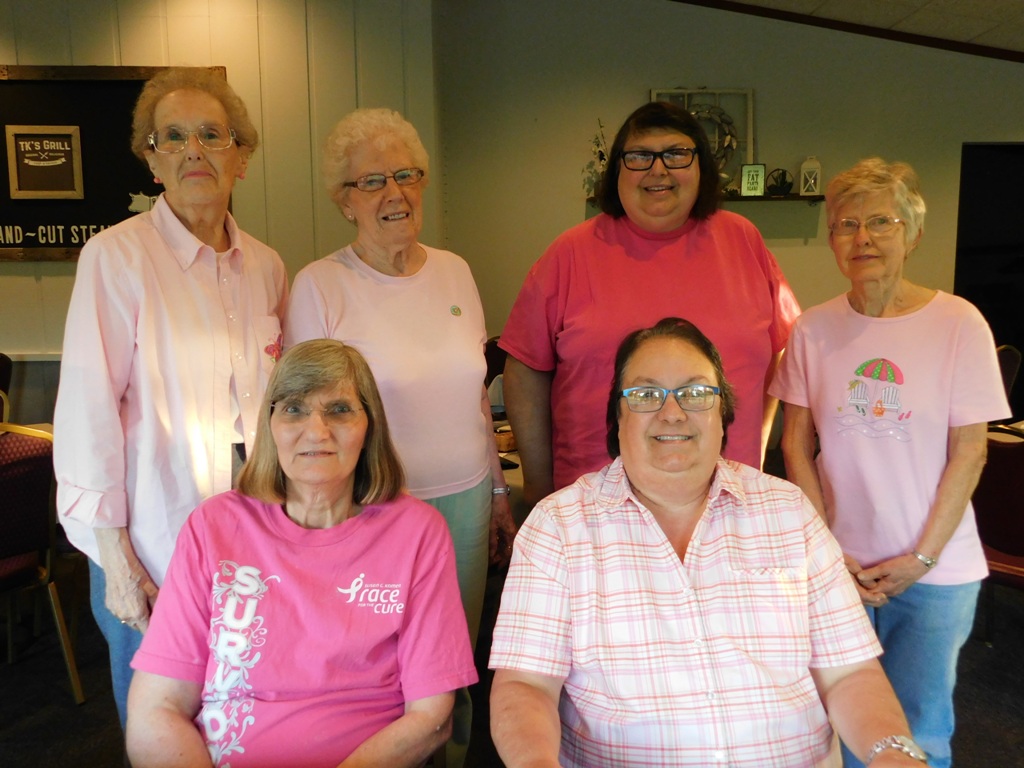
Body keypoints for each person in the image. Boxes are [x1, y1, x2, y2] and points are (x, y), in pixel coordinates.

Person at [490, 317, 932, 768]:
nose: (672, 412)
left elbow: (849, 672)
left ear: (723, 415)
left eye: (696, 392)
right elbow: (526, 685)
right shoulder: (558, 528)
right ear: (617, 418)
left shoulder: (788, 511)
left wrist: (892, 754)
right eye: (645, 395)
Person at [52, 67, 289, 728]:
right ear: (151, 161)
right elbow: (87, 414)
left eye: (212, 134)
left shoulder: (267, 266)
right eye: (173, 137)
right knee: (163, 723)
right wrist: (115, 558)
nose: (194, 150)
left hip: (255, 536)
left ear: (241, 156)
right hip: (154, 541)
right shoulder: (115, 258)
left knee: (247, 712)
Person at [284, 107, 517, 765]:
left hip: (466, 502)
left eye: (406, 175)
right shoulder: (321, 285)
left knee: (454, 664)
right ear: (344, 200)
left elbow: (475, 393)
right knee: (380, 668)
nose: (394, 192)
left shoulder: (454, 271)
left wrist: (499, 493)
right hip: (374, 510)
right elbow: (307, 419)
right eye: (372, 181)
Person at [125, 339, 477, 767]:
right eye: (294, 409)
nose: (316, 431)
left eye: (339, 410)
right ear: (270, 425)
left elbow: (431, 718)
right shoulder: (213, 526)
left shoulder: (417, 532)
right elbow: (156, 709)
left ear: (369, 427)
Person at [769, 158, 1009, 768]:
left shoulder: (959, 324)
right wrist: (827, 553)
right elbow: (795, 446)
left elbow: (971, 450)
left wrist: (921, 558)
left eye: (881, 222)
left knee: (919, 731)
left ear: (913, 232)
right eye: (846, 224)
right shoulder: (812, 330)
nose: (863, 238)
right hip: (839, 568)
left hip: (936, 572)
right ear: (832, 239)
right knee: (839, 726)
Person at [500, 101, 800, 507]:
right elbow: (525, 368)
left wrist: (757, 444)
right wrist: (538, 483)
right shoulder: (569, 253)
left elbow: (781, 349)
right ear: (617, 170)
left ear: (701, 166)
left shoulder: (744, 240)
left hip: (727, 499)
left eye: (677, 154)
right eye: (640, 156)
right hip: (596, 503)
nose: (658, 170)